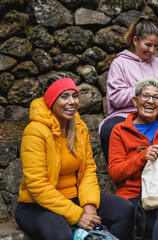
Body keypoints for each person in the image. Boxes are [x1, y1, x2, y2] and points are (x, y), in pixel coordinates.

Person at [15, 74, 134, 240]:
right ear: (51, 101)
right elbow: (36, 185)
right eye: (64, 96)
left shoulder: (79, 127)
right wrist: (77, 214)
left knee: (125, 209)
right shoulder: (35, 131)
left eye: (74, 95)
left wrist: (90, 204)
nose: (72, 102)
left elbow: (88, 170)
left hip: (75, 198)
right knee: (61, 236)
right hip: (38, 206)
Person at [108, 78, 158, 240]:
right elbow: (115, 172)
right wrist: (142, 157)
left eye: (156, 97)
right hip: (132, 192)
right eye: (145, 96)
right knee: (131, 216)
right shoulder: (120, 130)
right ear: (135, 100)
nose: (150, 101)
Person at [99, 15, 158, 161]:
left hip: (155, 114)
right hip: (126, 115)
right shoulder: (120, 63)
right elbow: (116, 98)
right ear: (135, 41)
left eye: (155, 46)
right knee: (109, 129)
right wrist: (148, 87)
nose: (152, 50)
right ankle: (119, 175)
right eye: (148, 45)